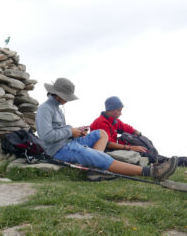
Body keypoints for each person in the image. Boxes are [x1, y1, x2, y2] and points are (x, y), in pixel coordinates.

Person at [35, 78, 178, 181]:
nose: (67, 100)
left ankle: (94, 168)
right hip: (59, 150)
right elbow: (46, 136)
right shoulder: (45, 109)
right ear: (58, 95)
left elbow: (59, 131)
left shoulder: (57, 109)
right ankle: (151, 172)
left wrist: (75, 131)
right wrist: (70, 132)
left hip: (68, 142)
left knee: (101, 134)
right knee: (102, 155)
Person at [90, 96, 187, 166]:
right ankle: (172, 162)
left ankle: (169, 160)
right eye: (118, 110)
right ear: (110, 109)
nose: (121, 113)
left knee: (140, 149)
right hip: (104, 151)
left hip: (112, 149)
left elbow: (126, 127)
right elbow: (108, 144)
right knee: (139, 152)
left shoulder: (114, 121)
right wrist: (131, 147)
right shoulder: (101, 122)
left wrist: (137, 133)